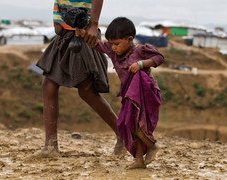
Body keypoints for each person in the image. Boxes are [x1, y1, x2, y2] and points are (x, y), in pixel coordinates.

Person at [36, 0, 125, 156]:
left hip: (81, 34)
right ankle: (50, 146)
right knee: (49, 84)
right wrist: (57, 21)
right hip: (64, 34)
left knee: (86, 90)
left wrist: (94, 24)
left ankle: (123, 135)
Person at [77, 17, 165, 169]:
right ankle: (138, 160)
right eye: (111, 44)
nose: (113, 48)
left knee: (139, 125)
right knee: (129, 126)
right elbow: (97, 44)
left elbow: (159, 57)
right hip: (129, 96)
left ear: (130, 39)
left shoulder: (140, 51)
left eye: (117, 44)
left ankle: (152, 146)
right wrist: (83, 33)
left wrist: (141, 64)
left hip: (144, 94)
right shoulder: (113, 52)